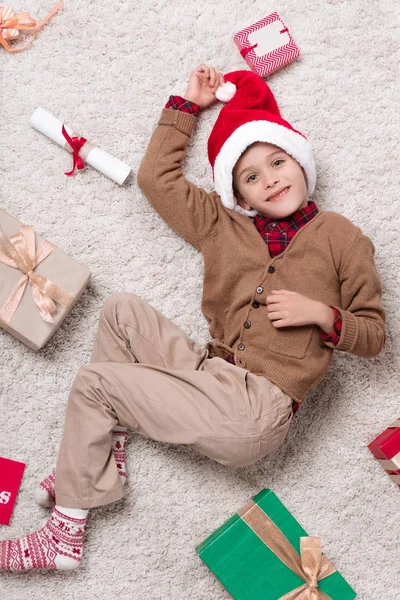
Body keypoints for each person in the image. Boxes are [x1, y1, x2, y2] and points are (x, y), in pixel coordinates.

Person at [0, 65, 386, 571]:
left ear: (300, 161)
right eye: (251, 177)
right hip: (211, 372)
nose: (269, 179)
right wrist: (188, 106)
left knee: (96, 383)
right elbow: (154, 180)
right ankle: (103, 456)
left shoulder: (342, 236)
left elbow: (375, 334)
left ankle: (64, 536)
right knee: (122, 312)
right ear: (237, 194)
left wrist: (322, 314)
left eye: (277, 161)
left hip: (257, 409)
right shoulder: (222, 225)